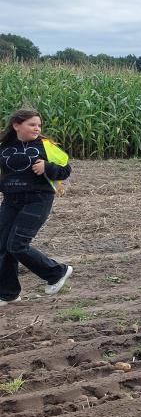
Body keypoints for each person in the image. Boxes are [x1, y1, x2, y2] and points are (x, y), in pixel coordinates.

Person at [0, 108, 74, 305]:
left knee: (16, 245)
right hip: (10, 200)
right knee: (3, 246)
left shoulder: (46, 146)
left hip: (38, 199)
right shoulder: (3, 147)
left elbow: (65, 170)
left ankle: (57, 272)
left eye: (39, 125)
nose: (37, 128)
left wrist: (47, 167)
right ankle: (8, 294)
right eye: (32, 125)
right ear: (16, 125)